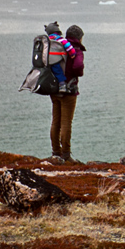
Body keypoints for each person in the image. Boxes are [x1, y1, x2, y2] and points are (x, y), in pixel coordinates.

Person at [46, 22, 86, 164]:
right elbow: (78, 67)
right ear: (79, 38)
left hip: (55, 89)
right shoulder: (75, 49)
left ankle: (55, 152)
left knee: (55, 121)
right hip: (69, 91)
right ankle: (66, 155)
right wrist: (77, 72)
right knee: (66, 122)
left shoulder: (57, 46)